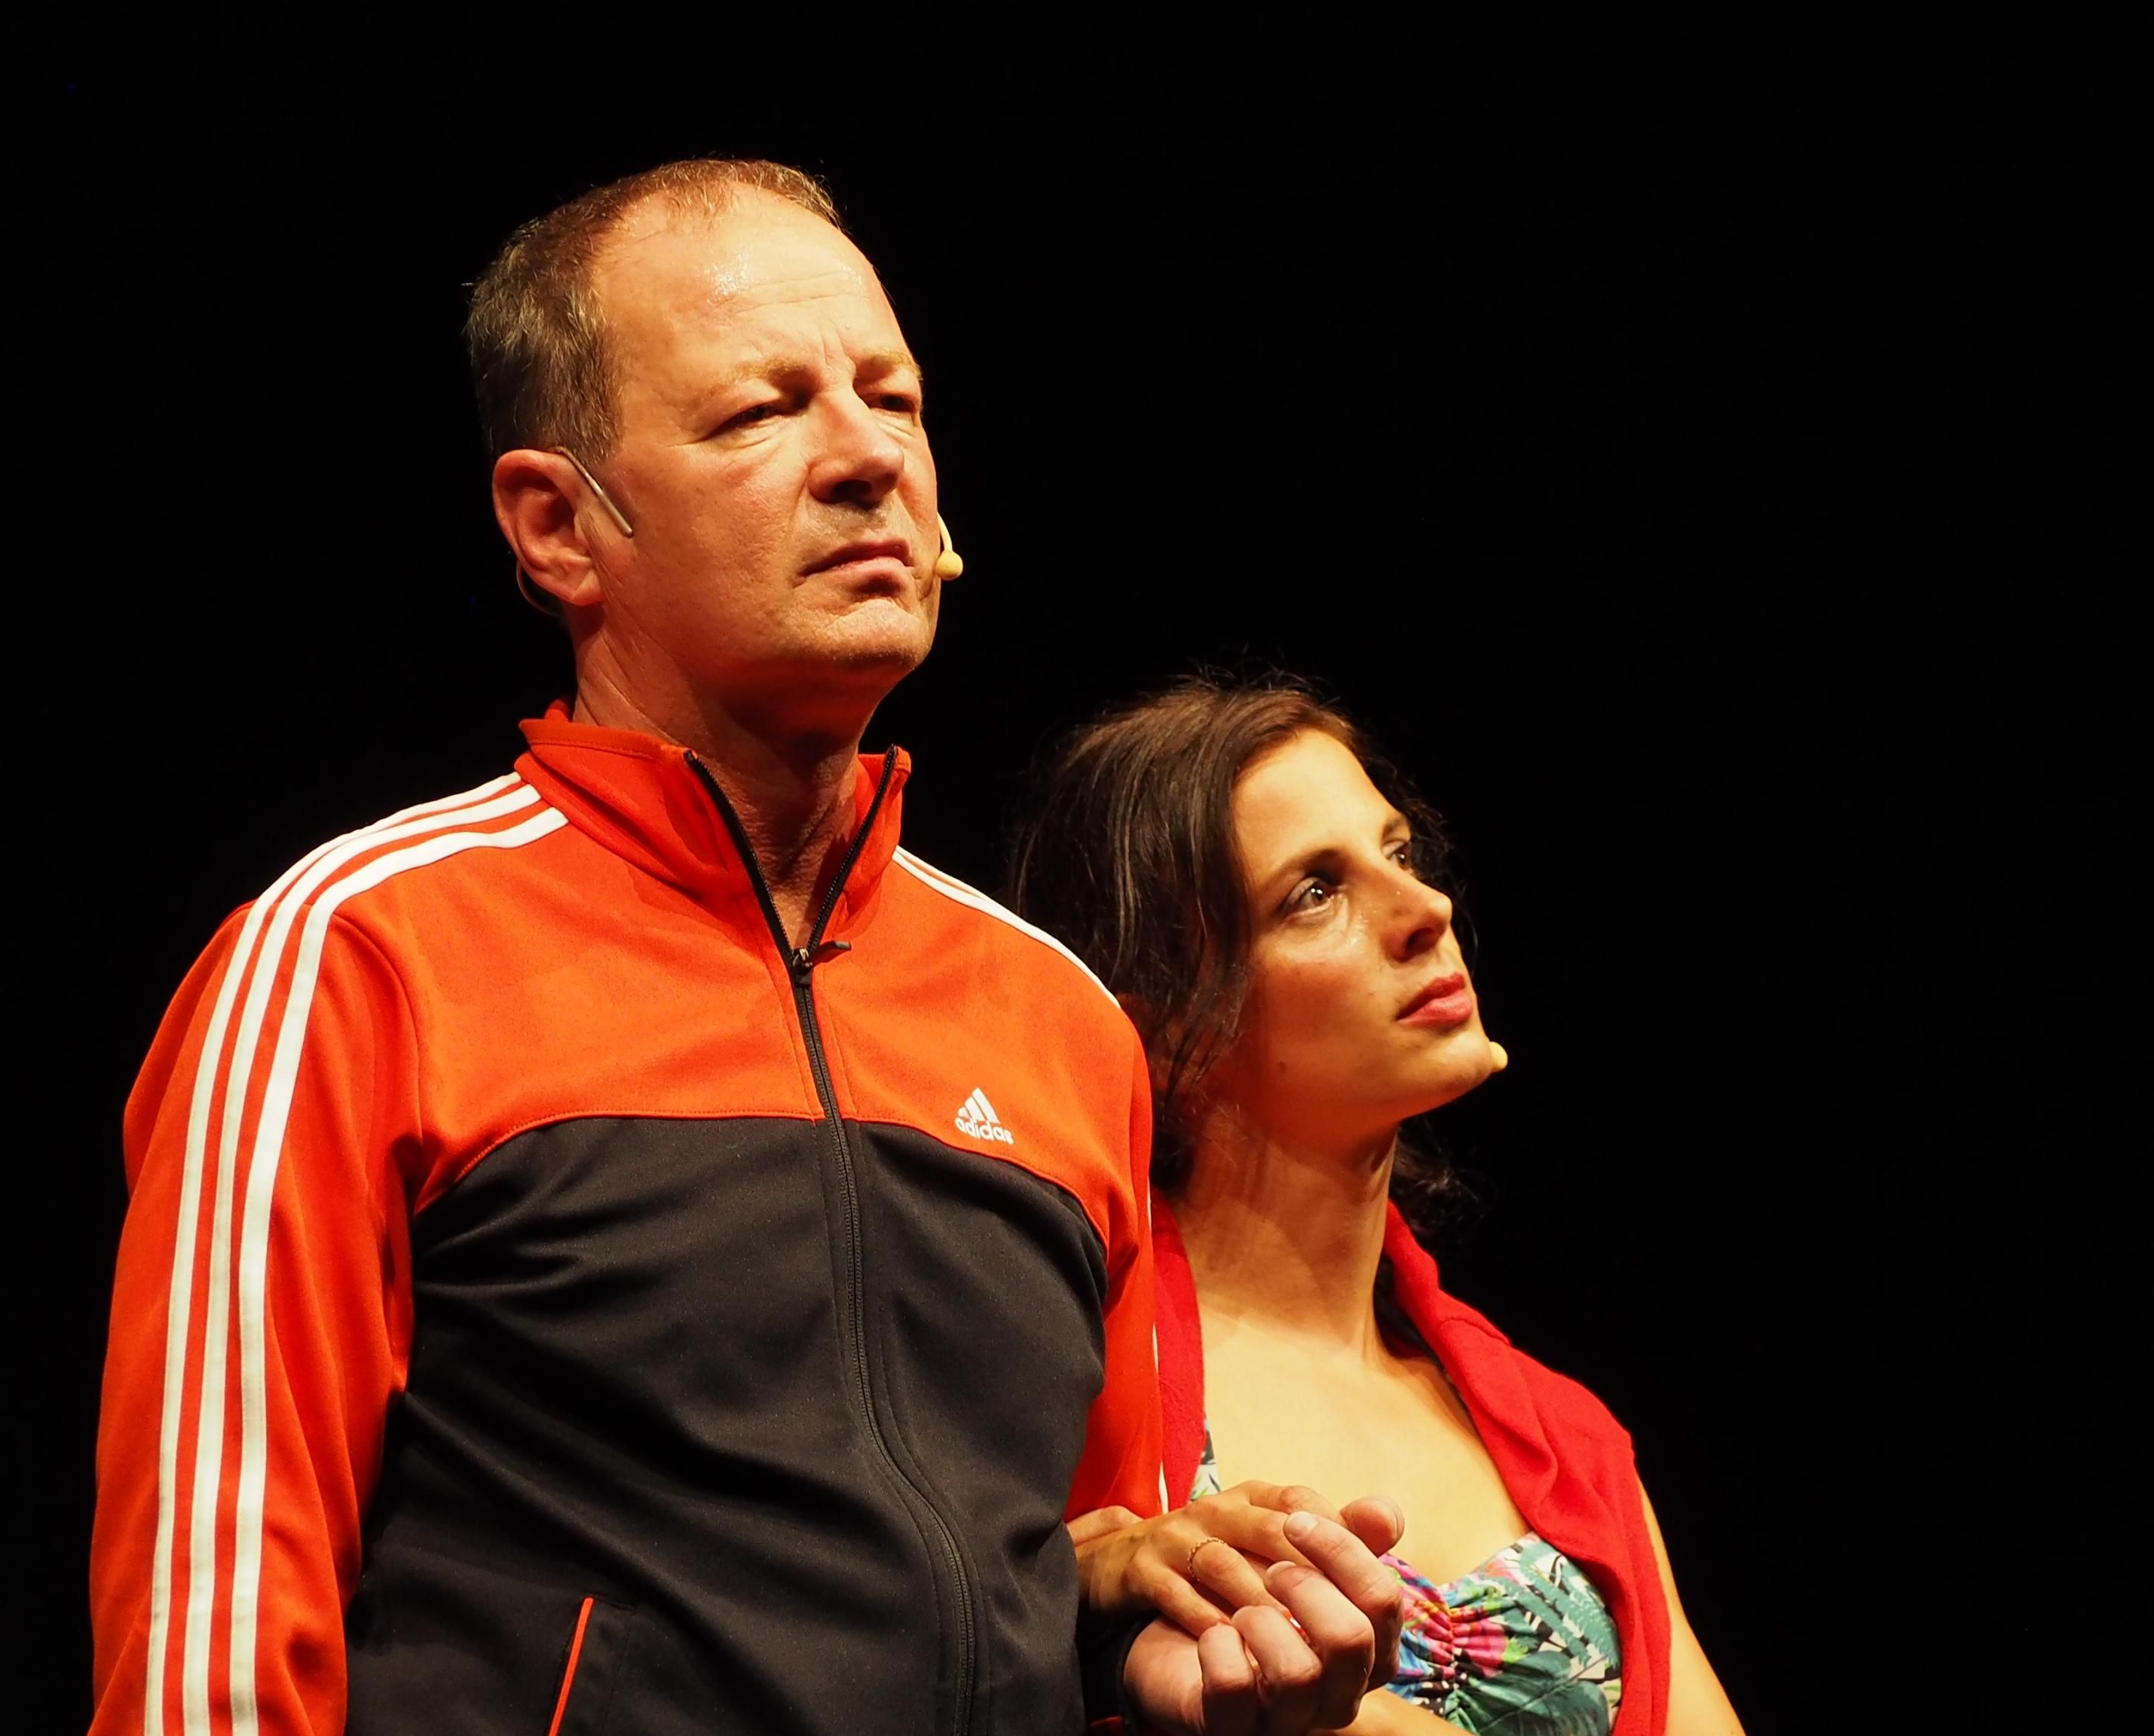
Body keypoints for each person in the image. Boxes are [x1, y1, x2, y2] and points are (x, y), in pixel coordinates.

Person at [86, 162, 1401, 1735]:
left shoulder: (1060, 1021)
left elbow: (1083, 1572)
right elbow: (211, 1654)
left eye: (893, 400)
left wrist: (1151, 1660)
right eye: (760, 413)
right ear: (559, 526)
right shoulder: (352, 956)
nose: (868, 459)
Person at [1008, 676, 1749, 1735]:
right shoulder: (1064, 1369)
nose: (1427, 911)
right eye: (1315, 892)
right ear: (1161, 1032)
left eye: (1399, 854)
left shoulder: (1564, 1437)